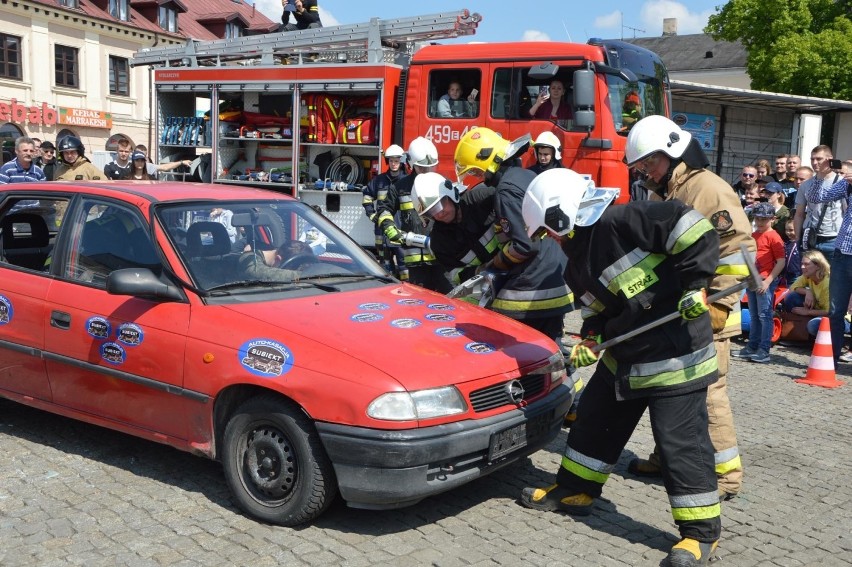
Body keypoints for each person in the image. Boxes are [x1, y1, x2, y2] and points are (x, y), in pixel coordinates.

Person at [518, 168, 722, 567]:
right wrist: (591, 340)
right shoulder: (575, 264)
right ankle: (575, 489)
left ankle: (700, 536)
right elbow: (595, 311)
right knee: (594, 420)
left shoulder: (625, 220)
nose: (552, 240)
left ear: (565, 216)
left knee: (680, 444)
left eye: (550, 230)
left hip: (676, 355)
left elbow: (694, 230)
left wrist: (695, 284)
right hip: (624, 357)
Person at [622, 114, 755, 502]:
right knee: (671, 391)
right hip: (676, 309)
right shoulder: (662, 191)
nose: (646, 171)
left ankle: (725, 476)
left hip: (710, 310)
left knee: (709, 393)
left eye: (650, 163)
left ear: (674, 153)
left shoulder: (707, 189)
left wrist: (721, 304)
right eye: (641, 165)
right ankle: (668, 458)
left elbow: (739, 250)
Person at [453, 127, 574, 341]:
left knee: (501, 339)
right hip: (555, 276)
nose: (476, 176)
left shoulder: (505, 191)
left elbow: (526, 245)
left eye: (475, 171)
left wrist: (492, 265)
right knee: (550, 355)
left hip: (533, 288)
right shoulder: (526, 174)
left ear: (488, 162)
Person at [375, 137, 452, 292]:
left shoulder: (442, 184)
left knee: (449, 302)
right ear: (410, 164)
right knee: (419, 304)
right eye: (421, 168)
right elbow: (384, 209)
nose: (426, 171)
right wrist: (390, 228)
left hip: (442, 259)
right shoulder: (400, 187)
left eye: (430, 167)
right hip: (415, 263)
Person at [804, 160, 852, 363]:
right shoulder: (846, 184)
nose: (846, 169)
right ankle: (830, 358)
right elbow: (816, 198)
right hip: (842, 253)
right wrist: (821, 176)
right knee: (835, 310)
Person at [733, 202, 785, 363]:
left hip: (764, 281)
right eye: (757, 218)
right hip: (752, 280)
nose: (760, 222)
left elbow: (781, 261)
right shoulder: (754, 236)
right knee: (755, 315)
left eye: (764, 219)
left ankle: (764, 349)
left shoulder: (774, 236)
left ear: (772, 219)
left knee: (765, 315)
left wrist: (768, 281)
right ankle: (752, 346)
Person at [793, 145, 845, 259]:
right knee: (809, 275)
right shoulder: (806, 185)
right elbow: (799, 214)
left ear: (829, 159)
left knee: (831, 275)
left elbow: (846, 213)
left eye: (819, 159)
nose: (815, 162)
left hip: (833, 238)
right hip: (810, 236)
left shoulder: (842, 183)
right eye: (812, 159)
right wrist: (798, 238)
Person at [362, 144, 407, 272]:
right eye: (391, 161)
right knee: (385, 264)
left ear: (401, 161)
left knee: (404, 264)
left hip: (400, 228)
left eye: (396, 161)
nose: (394, 164)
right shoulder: (379, 180)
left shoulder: (406, 181)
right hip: (381, 230)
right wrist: (371, 214)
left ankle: (406, 287)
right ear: (388, 161)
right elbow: (367, 197)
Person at [778, 250, 842, 338]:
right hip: (816, 310)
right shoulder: (807, 276)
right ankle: (799, 332)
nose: (802, 267)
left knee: (813, 326)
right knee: (791, 297)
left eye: (807, 264)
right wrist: (808, 292)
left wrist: (808, 312)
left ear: (818, 265)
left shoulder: (828, 283)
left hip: (834, 318)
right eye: (802, 264)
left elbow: (829, 312)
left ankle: (814, 336)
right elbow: (792, 288)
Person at [781, 219, 802, 286]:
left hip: (798, 274)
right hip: (788, 275)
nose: (788, 232)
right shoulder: (786, 244)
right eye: (786, 230)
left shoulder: (800, 244)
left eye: (791, 230)